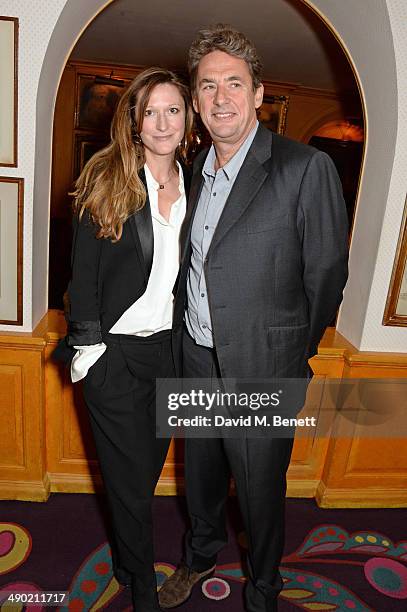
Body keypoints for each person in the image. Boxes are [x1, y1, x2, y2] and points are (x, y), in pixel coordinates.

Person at [158, 24, 349, 612]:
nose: (220, 98)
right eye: (208, 85)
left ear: (259, 94)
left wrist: (289, 360)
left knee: (261, 491)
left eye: (233, 84)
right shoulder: (191, 170)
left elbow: (326, 278)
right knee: (203, 477)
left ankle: (264, 586)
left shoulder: (303, 167)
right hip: (194, 357)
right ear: (195, 100)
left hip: (263, 370)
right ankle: (199, 556)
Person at [65, 67, 193, 612]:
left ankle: (124, 561)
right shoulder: (107, 177)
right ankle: (142, 589)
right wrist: (90, 354)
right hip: (112, 355)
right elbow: (83, 276)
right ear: (134, 122)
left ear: (188, 120)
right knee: (129, 486)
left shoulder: (201, 182)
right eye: (151, 111)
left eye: (173, 110)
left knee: (141, 477)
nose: (162, 122)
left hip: (169, 355)